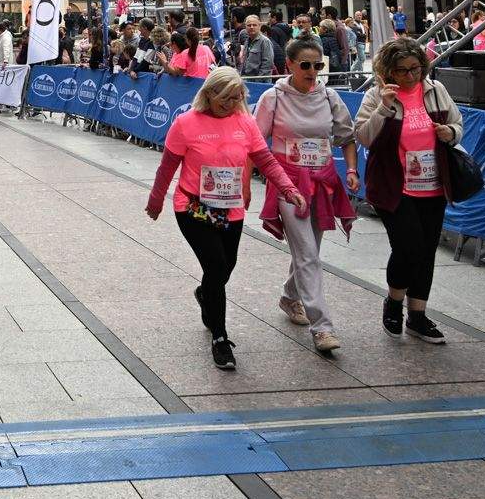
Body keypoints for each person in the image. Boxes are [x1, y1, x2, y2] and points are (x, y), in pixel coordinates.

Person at [145, 68, 304, 371]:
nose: (230, 104)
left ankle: (206, 294)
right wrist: (156, 201)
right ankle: (220, 338)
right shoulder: (186, 123)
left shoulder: (245, 122)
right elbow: (167, 167)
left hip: (230, 208)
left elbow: (266, 161)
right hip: (193, 207)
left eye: (236, 98)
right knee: (216, 265)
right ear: (208, 94)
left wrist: (289, 189)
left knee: (224, 268)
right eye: (224, 98)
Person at [351, 38, 463, 344]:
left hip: (433, 184)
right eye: (402, 71)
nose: (410, 76)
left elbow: (457, 122)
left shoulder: (435, 90)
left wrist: (449, 132)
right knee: (408, 247)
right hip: (394, 186)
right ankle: (394, 302)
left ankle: (418, 316)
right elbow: (363, 136)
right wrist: (385, 108)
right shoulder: (377, 95)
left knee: (426, 251)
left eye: (415, 69)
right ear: (388, 72)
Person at [254, 38, 357, 355]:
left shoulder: (329, 96)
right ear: (289, 66)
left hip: (323, 180)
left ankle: (289, 295)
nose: (313, 71)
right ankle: (322, 327)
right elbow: (256, 144)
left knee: (307, 249)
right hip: (288, 183)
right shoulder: (273, 98)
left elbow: (346, 137)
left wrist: (351, 170)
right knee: (308, 253)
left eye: (319, 65)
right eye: (306, 65)